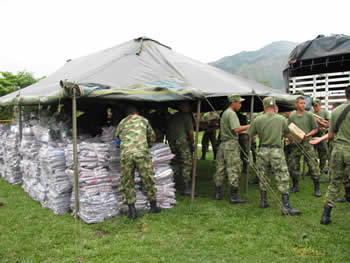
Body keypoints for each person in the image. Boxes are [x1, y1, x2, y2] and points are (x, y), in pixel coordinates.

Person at [247, 97, 301, 215]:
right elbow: (287, 133)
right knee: (282, 175)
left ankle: (263, 201)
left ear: (264, 106)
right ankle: (286, 206)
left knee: (263, 175)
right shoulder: (281, 119)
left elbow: (250, 135)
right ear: (275, 106)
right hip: (276, 151)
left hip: (262, 150)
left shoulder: (257, 119)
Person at [116, 105, 161, 220]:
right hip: (141, 153)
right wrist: (147, 145)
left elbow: (117, 140)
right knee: (147, 178)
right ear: (137, 113)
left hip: (126, 154)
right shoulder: (143, 120)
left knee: (127, 181)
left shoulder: (122, 122)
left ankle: (132, 212)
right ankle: (153, 206)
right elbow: (152, 136)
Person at [320, 86, 350, 224]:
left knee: (334, 183)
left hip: (337, 150)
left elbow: (330, 134)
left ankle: (326, 215)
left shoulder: (336, 111)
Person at [214, 94, 249, 204]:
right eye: (239, 102)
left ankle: (218, 193)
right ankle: (234, 196)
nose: (240, 105)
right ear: (233, 102)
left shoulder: (225, 113)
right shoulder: (232, 114)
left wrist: (247, 130)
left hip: (223, 144)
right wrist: (251, 125)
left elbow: (234, 130)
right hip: (231, 145)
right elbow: (237, 129)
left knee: (220, 168)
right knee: (234, 168)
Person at [288, 96, 321, 197]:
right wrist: (290, 138)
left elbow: (315, 129)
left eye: (304, 103)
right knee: (293, 164)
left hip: (307, 142)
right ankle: (295, 185)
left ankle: (317, 187)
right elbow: (289, 128)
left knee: (312, 164)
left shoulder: (309, 115)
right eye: (301, 103)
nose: (303, 105)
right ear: (296, 104)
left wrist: (308, 134)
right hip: (296, 143)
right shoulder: (292, 116)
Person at [166, 101, 194, 195]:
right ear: (182, 107)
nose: (188, 107)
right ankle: (186, 187)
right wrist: (192, 142)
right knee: (187, 163)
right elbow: (190, 132)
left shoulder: (173, 116)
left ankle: (171, 182)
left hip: (172, 141)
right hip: (182, 141)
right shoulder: (186, 116)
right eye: (187, 105)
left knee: (176, 162)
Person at [312, 99, 330, 177]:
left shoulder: (325, 113)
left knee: (322, 154)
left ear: (320, 105)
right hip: (313, 135)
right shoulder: (312, 114)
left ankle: (322, 170)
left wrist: (319, 122)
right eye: (313, 106)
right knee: (312, 154)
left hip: (322, 136)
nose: (315, 107)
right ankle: (312, 170)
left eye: (316, 105)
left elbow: (328, 125)